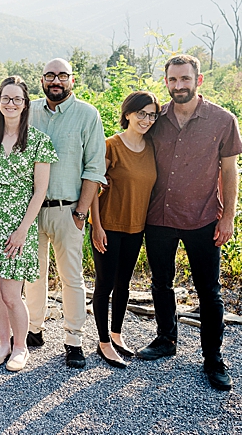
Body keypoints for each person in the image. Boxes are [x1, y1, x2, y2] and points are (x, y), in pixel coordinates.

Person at [137, 54, 242, 392]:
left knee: (209, 293)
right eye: (172, 80)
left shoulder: (222, 120)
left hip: (202, 219)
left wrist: (227, 217)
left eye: (185, 79)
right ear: (165, 82)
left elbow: (229, 172)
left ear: (198, 80)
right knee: (161, 283)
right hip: (159, 218)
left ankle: (213, 357)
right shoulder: (154, 118)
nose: (178, 86)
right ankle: (166, 339)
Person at [26, 58, 106, 368]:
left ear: (72, 80)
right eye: (50, 75)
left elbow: (95, 167)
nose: (55, 80)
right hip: (31, 209)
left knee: (71, 277)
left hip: (68, 209)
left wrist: (81, 212)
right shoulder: (28, 111)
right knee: (33, 273)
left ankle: (74, 338)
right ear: (42, 79)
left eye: (62, 75)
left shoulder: (87, 115)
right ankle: (34, 328)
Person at [0, 76, 56, 372]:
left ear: (25, 104)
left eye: (17, 99)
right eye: (5, 98)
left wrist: (22, 230)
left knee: (11, 292)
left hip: (17, 225)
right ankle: (3, 342)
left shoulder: (38, 141)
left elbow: (40, 191)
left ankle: (21, 346)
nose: (11, 104)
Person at [89, 91, 160, 369]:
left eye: (152, 114)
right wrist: (96, 226)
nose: (146, 119)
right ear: (128, 114)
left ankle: (117, 335)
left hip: (136, 227)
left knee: (124, 284)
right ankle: (103, 342)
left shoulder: (152, 148)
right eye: (141, 113)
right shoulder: (111, 146)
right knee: (104, 284)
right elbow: (93, 186)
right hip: (109, 226)